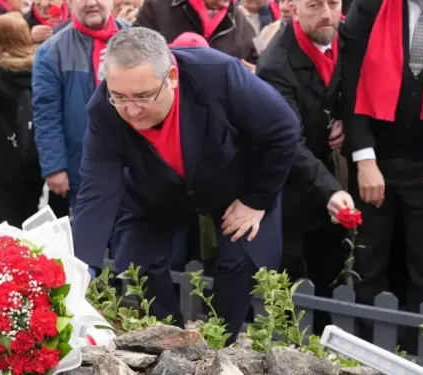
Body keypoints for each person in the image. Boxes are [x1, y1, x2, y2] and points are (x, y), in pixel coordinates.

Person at [72, 27, 300, 341]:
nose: (132, 111)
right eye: (119, 97)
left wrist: (255, 201)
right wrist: (80, 268)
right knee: (139, 261)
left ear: (172, 77)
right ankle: (171, 343)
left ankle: (220, 344)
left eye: (143, 96)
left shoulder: (218, 74)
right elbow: (96, 190)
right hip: (155, 190)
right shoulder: (103, 110)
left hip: (234, 182)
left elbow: (284, 129)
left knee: (241, 260)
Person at [341, 0, 423, 341]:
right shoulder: (370, 7)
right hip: (378, 159)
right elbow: (351, 76)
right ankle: (368, 347)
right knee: (369, 264)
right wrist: (364, 156)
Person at [256, 0, 353, 333]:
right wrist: (330, 190)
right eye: (314, 5)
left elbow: (352, 91)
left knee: (330, 268)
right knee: (290, 276)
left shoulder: (348, 39)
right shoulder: (275, 63)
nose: (327, 14)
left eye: (333, 3)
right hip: (287, 183)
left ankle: (328, 343)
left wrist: (344, 120)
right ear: (292, 7)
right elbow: (288, 141)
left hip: (327, 175)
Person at [32, 0, 130, 213]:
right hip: (84, 167)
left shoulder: (135, 39)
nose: (91, 3)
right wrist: (54, 167)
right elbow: (46, 114)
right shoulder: (52, 51)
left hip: (134, 165)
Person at [0, 12, 56, 226]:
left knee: (5, 219)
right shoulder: (41, 68)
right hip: (36, 152)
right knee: (31, 210)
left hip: (4, 156)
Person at [134, 0, 259, 68]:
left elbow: (260, 61)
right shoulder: (156, 7)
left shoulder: (242, 21)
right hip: (171, 104)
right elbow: (133, 53)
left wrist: (254, 73)